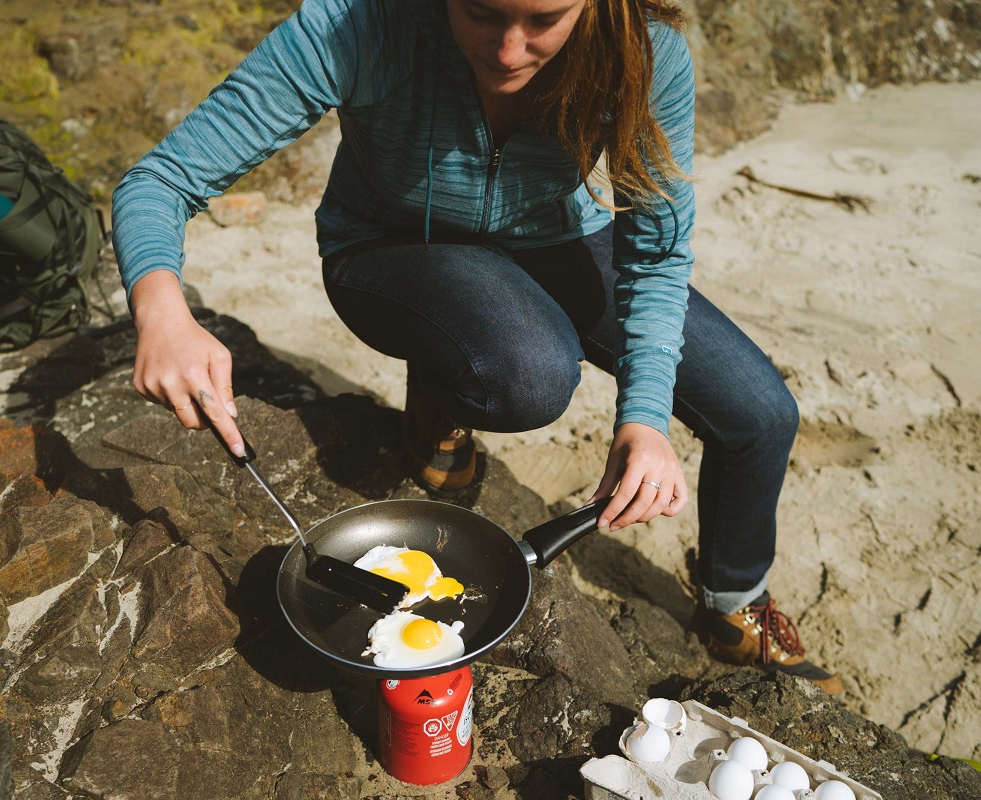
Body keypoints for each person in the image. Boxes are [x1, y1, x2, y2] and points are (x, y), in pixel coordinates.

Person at [112, 0, 844, 694]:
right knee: (528, 373)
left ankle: (732, 602)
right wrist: (162, 310)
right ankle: (441, 375)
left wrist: (644, 417)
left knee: (760, 412)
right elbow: (161, 178)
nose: (507, 50)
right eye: (481, 12)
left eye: (545, 19)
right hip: (394, 244)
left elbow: (654, 257)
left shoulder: (647, 55)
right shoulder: (360, 24)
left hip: (562, 239)